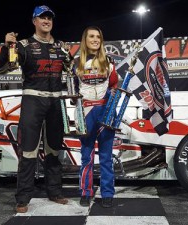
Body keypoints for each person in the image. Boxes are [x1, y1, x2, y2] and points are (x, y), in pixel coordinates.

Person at [0, 5, 70, 213]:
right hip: (33, 102)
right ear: (34, 21)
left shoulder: (61, 47)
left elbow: (74, 72)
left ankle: (54, 192)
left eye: (49, 18)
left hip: (56, 103)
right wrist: (7, 47)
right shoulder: (23, 45)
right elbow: (1, 69)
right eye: (42, 17)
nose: (46, 21)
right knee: (28, 151)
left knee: (54, 150)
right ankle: (23, 198)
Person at [74, 26, 118, 208]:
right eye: (91, 36)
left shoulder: (108, 62)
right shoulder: (75, 63)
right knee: (87, 156)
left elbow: (114, 87)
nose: (95, 39)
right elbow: (72, 90)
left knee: (106, 157)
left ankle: (107, 192)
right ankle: (86, 191)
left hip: (105, 112)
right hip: (85, 113)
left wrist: (112, 105)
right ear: (85, 39)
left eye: (98, 37)